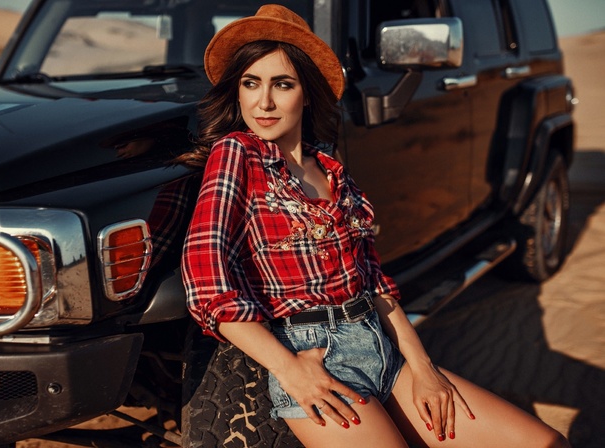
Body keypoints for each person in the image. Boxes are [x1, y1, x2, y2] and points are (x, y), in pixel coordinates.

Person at [180, 4, 570, 447]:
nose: (263, 101)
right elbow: (206, 282)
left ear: (306, 93)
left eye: (282, 84)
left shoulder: (331, 168)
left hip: (382, 349)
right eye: (250, 83)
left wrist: (425, 368)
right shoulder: (237, 154)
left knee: (545, 442)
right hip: (316, 358)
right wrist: (290, 370)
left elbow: (374, 282)